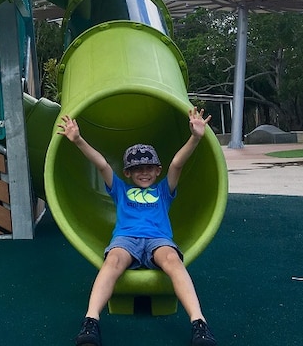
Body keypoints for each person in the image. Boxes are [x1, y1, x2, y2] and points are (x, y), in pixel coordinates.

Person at [57, 107, 217, 346]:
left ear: (157, 171)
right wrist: (78, 140)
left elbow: (176, 164)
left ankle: (199, 323)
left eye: (149, 168)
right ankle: (91, 321)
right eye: (137, 169)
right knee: (112, 261)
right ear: (128, 173)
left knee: (173, 261)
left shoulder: (163, 190)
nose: (144, 173)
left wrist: (195, 137)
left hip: (158, 239)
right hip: (126, 238)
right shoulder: (120, 189)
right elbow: (101, 164)